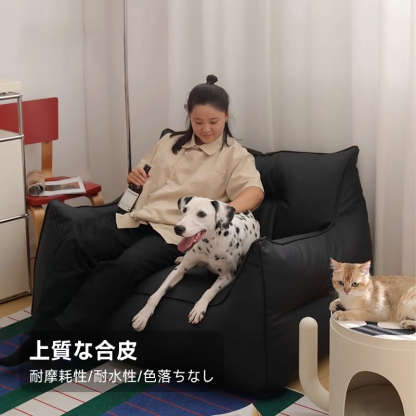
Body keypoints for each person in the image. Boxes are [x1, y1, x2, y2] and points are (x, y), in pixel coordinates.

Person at [0, 74, 264, 367]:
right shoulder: (169, 142)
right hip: (137, 218)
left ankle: (55, 340)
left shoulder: (236, 156)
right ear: (188, 115)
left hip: (172, 234)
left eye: (213, 121)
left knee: (123, 267)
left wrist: (224, 211)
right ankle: (38, 334)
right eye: (197, 121)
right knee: (75, 239)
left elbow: (254, 192)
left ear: (226, 116)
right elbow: (141, 176)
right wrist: (134, 178)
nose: (205, 129)